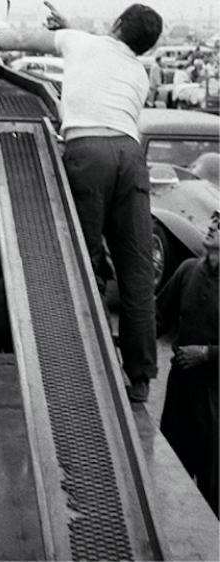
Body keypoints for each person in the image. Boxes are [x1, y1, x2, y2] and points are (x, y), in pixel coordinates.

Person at [0, 1, 163, 403]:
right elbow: (102, 56)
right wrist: (75, 31)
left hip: (88, 152)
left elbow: (18, 39)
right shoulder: (138, 71)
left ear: (118, 22)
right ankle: (139, 378)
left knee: (83, 265)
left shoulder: (80, 43)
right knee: (137, 269)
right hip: (129, 153)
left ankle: (90, 364)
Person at [156, 211, 218, 516]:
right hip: (179, 390)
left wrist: (206, 354)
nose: (212, 225)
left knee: (212, 486)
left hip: (213, 397)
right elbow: (157, 317)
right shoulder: (188, 270)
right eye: (214, 218)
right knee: (171, 476)